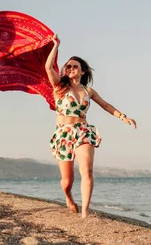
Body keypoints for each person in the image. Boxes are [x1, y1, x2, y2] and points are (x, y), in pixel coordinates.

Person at [45, 34, 136, 218]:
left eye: (74, 66)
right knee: (67, 181)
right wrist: (56, 45)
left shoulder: (88, 91)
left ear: (83, 71)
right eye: (68, 66)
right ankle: (69, 196)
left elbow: (106, 105)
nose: (70, 68)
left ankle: (85, 212)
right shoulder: (59, 87)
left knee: (87, 170)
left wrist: (123, 117)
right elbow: (48, 67)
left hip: (83, 132)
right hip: (63, 134)